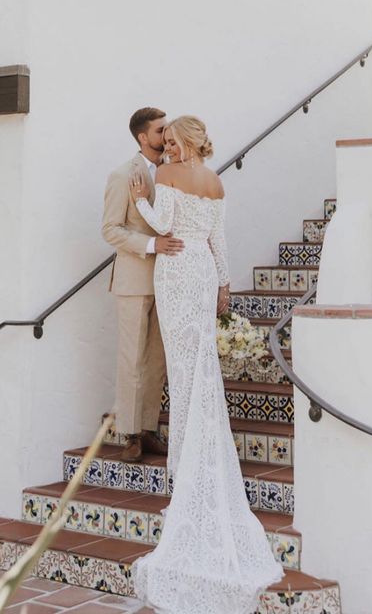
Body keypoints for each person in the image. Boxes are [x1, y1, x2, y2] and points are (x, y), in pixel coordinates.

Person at [129, 115, 281, 614]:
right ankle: (194, 455)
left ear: (187, 141)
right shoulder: (216, 182)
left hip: (175, 268)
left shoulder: (168, 177)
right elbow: (219, 241)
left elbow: (162, 224)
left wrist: (140, 202)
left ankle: (185, 464)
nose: (167, 147)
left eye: (172, 140)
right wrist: (224, 285)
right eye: (164, 140)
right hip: (200, 270)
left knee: (184, 364)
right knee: (199, 366)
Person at [101, 107, 185, 462]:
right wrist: (152, 245)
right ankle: (130, 435)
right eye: (161, 130)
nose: (167, 135)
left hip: (167, 280)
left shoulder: (173, 172)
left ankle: (150, 429)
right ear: (142, 137)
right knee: (131, 359)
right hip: (134, 281)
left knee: (157, 360)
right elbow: (110, 229)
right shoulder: (123, 175)